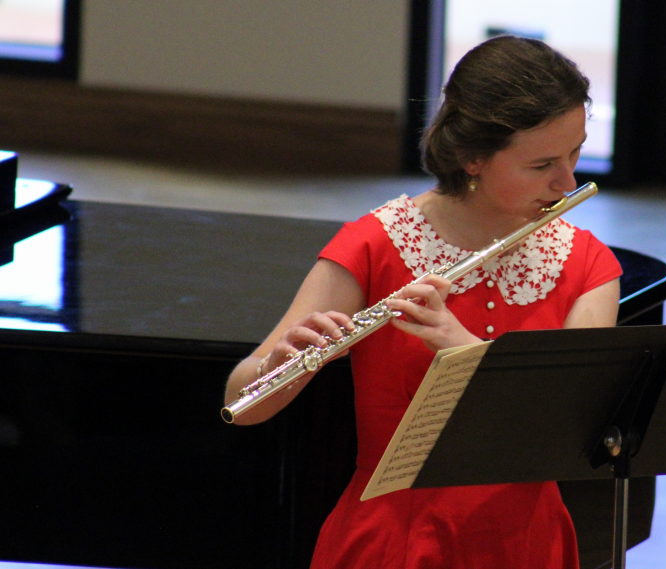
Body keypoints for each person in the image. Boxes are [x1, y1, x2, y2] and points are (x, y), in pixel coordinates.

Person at [225, 35, 622, 569]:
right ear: (471, 158)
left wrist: (459, 345)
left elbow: (573, 429)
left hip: (527, 541)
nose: (567, 181)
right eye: (542, 164)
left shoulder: (588, 265)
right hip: (392, 538)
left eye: (575, 153)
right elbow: (241, 404)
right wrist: (282, 367)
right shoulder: (373, 243)